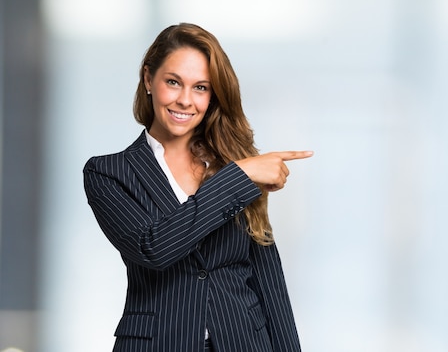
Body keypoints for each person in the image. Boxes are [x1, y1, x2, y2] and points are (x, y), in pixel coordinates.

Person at [83, 23, 312, 352]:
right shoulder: (108, 173)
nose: (185, 100)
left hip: (245, 342)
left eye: (201, 87)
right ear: (149, 79)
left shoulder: (232, 163)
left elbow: (267, 278)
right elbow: (154, 248)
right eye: (173, 82)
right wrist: (238, 175)